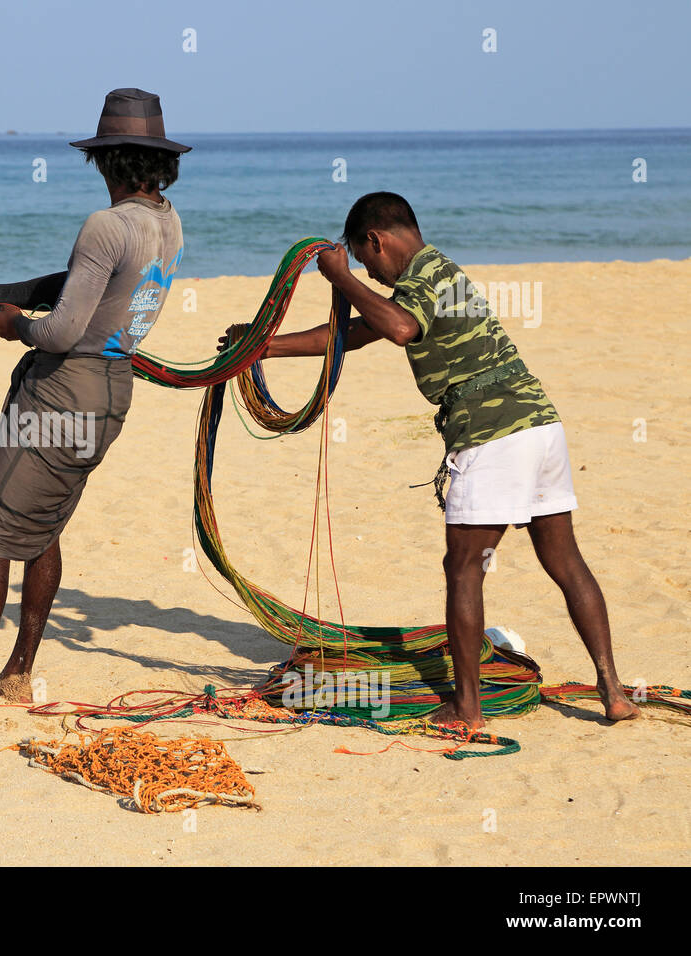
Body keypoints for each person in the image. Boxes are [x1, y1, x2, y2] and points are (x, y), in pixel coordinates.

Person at [223, 192, 637, 728]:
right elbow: (353, 332)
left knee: (463, 570)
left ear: (376, 241)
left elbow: (396, 329)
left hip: (493, 434)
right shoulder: (436, 275)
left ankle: (466, 708)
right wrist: (263, 345)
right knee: (565, 561)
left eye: (366, 262)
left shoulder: (421, 279)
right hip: (540, 426)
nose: (369, 275)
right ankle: (614, 692)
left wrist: (337, 277)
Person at [0, 89, 188, 728]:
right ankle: (17, 673)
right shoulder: (166, 222)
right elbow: (82, 289)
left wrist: (11, 325)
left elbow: (60, 330)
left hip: (62, 391)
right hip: (112, 393)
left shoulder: (106, 224)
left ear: (109, 159)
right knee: (45, 526)